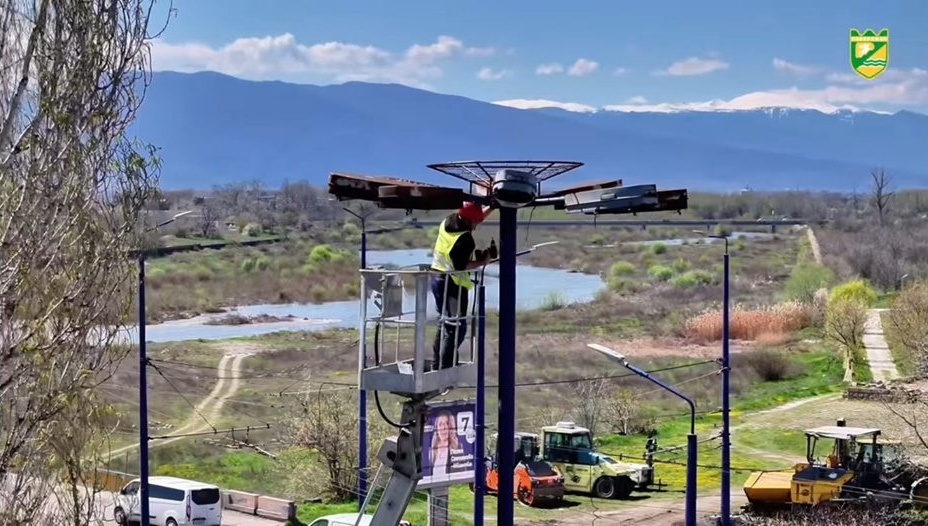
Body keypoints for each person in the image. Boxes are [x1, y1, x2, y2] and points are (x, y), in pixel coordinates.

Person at [429, 200, 496, 371]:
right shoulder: (465, 240)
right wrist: (482, 261)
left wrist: (493, 207)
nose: (476, 226)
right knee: (456, 328)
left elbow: (475, 217)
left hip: (437, 277)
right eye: (475, 222)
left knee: (445, 323)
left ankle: (438, 364)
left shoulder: (449, 221)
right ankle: (446, 369)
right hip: (452, 285)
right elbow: (461, 266)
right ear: (468, 221)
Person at [429, 411, 460, 479]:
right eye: (440, 424)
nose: (443, 428)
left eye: (447, 423)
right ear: (437, 428)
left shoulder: (457, 449)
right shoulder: (431, 451)